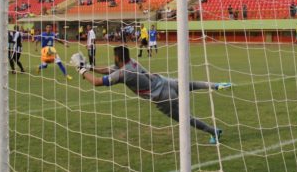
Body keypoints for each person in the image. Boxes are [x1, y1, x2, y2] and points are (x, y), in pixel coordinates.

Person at [70, 46, 231, 144]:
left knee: (186, 118)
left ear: (118, 57)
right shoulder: (131, 62)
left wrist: (81, 70)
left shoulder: (123, 73)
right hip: (163, 81)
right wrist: (89, 67)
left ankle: (214, 132)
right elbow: (108, 70)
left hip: (162, 97)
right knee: (190, 84)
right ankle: (217, 85)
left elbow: (97, 82)